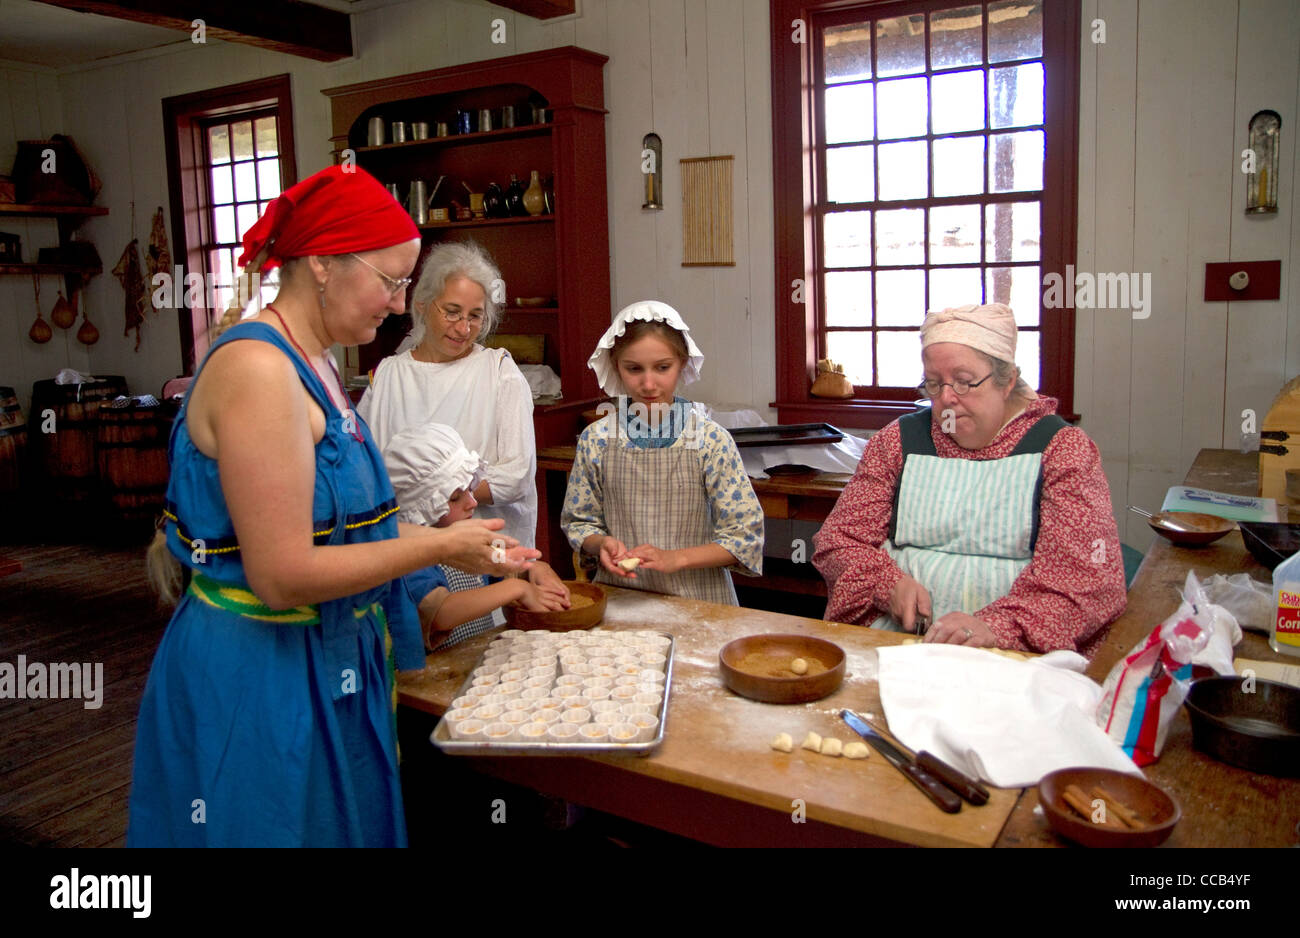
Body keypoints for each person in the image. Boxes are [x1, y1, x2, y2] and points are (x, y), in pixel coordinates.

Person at [128, 165, 537, 848]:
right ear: (320, 264)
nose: (398, 300)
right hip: (261, 671)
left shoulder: (313, 362)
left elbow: (351, 527)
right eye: (389, 279)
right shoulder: (259, 371)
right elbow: (282, 572)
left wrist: (484, 552)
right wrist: (440, 547)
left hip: (319, 656)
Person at [812, 303, 1126, 659]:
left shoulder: (1060, 451)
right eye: (934, 383)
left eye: (964, 381)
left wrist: (997, 627)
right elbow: (838, 541)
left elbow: (1088, 582)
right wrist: (889, 586)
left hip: (1014, 657)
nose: (946, 398)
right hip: (900, 644)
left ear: (1007, 380)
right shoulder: (898, 442)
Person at [561, 300, 764, 604]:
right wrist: (600, 543)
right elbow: (579, 522)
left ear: (682, 364)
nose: (648, 383)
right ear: (616, 367)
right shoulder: (597, 440)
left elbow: (744, 537)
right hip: (621, 595)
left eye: (662, 368)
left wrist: (676, 559)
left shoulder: (710, 440)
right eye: (633, 369)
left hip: (700, 599)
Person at [359, 241, 538, 551]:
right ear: (422, 304)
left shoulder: (499, 372)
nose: (463, 328)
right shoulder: (389, 377)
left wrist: (429, 497)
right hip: (406, 553)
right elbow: (366, 470)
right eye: (452, 312)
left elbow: (516, 477)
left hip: (485, 550)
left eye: (475, 316)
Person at [383, 419, 568, 650]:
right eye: (454, 497)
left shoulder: (470, 539)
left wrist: (529, 570)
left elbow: (498, 568)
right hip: (436, 676)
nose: (472, 503)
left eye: (470, 489)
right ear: (420, 507)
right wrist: (518, 589)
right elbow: (441, 613)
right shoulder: (411, 556)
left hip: (471, 660)